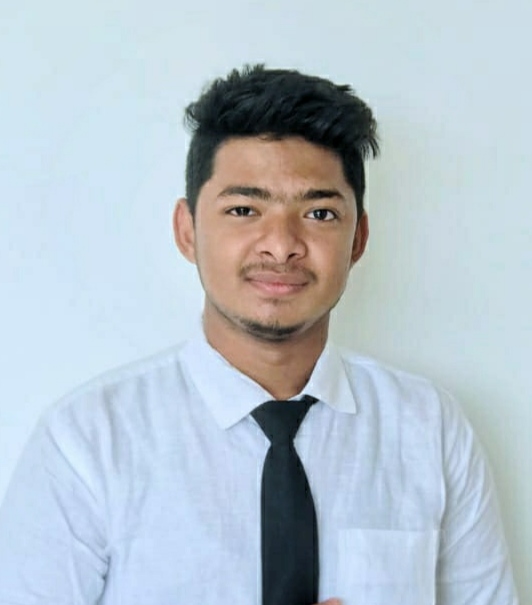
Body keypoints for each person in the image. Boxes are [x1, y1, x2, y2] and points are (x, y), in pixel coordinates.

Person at [0, 65, 518, 605]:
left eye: (319, 213)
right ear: (187, 230)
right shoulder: (87, 442)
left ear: (358, 238)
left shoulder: (430, 429)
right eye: (244, 209)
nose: (281, 245)